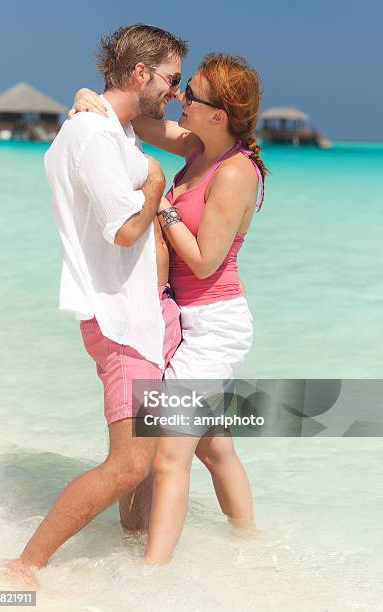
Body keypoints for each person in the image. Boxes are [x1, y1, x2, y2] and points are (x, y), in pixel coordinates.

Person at [4, 23, 188, 584]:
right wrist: (156, 184)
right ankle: (23, 566)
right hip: (119, 319)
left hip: (137, 314)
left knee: (147, 457)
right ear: (140, 72)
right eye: (172, 79)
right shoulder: (93, 136)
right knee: (129, 462)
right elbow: (125, 230)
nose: (175, 93)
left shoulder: (110, 129)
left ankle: (131, 565)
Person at [72, 52, 268, 564]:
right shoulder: (197, 145)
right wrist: (85, 101)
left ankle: (152, 578)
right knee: (213, 446)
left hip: (213, 324)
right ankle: (253, 547)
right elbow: (131, 116)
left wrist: (160, 201)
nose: (180, 99)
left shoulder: (234, 172)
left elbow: (204, 262)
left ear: (218, 115)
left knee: (169, 456)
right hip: (185, 316)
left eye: (191, 95)